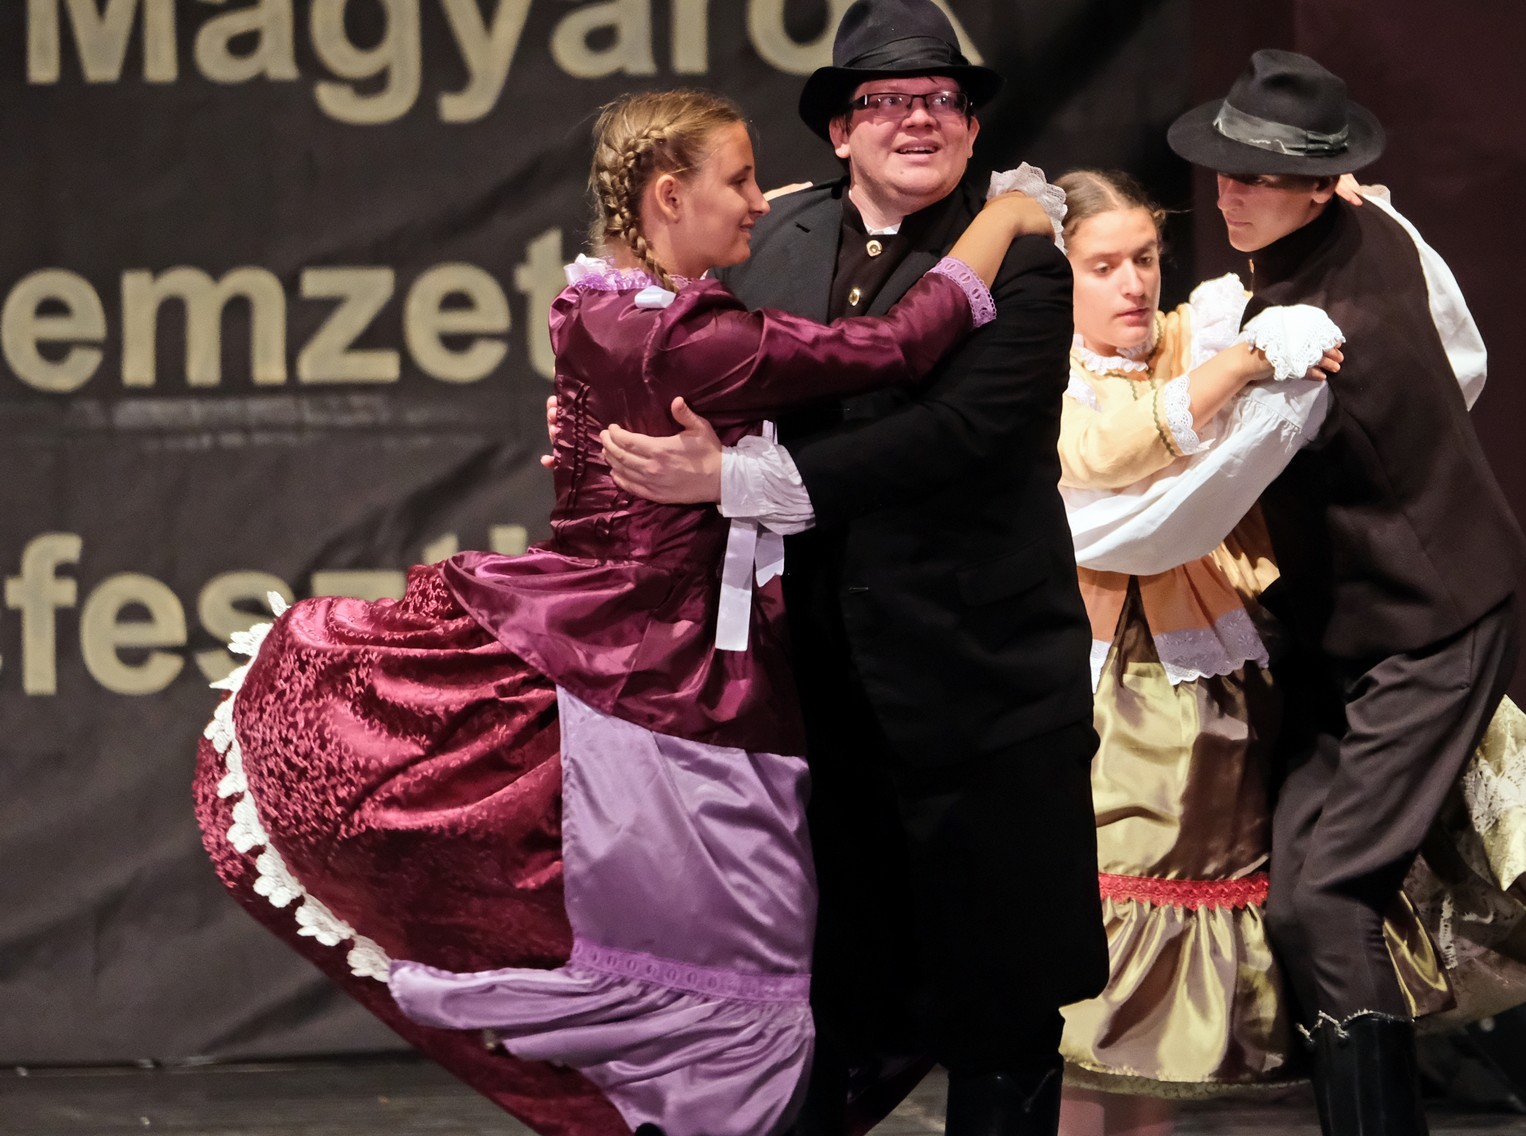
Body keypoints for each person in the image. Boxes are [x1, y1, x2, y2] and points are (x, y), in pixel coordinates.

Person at [192, 86, 1053, 1136]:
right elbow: (896, 348)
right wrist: (1005, 218)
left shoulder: (597, 302)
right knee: (736, 948)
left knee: (743, 946)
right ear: (667, 196)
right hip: (663, 667)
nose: (759, 200)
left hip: (619, 624)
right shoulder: (689, 338)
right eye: (740, 180)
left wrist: (783, 202)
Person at [596, 0, 1109, 1136]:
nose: (918, 117)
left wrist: (734, 478)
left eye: (942, 98)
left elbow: (956, 436)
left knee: (1003, 1010)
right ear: (840, 128)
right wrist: (606, 433)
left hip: (983, 689)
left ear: (972, 125)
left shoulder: (1024, 252)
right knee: (831, 1008)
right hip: (819, 696)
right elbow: (682, 363)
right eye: (886, 99)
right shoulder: (769, 242)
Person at [1050, 168, 1526, 1136]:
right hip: (1117, 692)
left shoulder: (1198, 328)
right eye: (1103, 266)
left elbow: (1448, 354)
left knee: (1252, 937)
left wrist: (1368, 223)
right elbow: (1128, 481)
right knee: (1113, 967)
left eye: (1145, 257)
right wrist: (1245, 368)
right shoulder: (1058, 377)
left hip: (1248, 681)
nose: (1133, 282)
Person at [1163, 49, 1526, 1136]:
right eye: (1226, 168)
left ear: (1321, 186)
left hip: (1435, 626)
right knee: (1298, 900)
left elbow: (1188, 510)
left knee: (1329, 900)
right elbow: (1466, 359)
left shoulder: (1308, 351)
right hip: (1363, 625)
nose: (1229, 192)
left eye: (1259, 177)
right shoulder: (1379, 223)